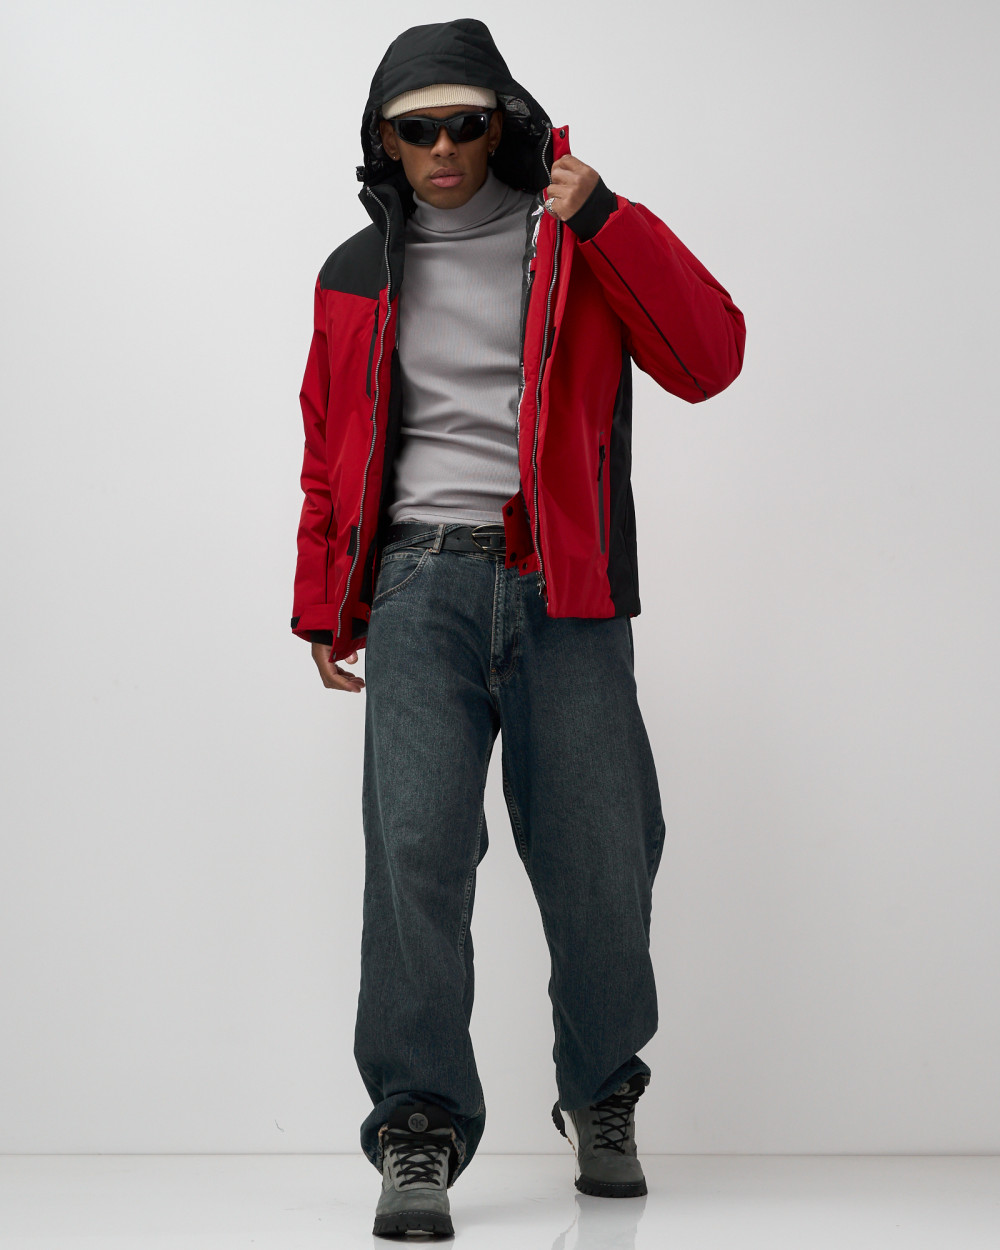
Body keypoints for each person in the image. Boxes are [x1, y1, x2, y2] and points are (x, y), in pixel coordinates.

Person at [291, 16, 746, 1238]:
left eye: (465, 122)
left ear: (504, 123)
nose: (442, 148)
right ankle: (418, 1123)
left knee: (603, 856)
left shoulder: (571, 242)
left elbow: (709, 357)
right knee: (416, 858)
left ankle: (601, 1091)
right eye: (416, 130)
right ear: (383, 142)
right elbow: (327, 446)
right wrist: (320, 601)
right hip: (416, 585)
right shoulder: (354, 270)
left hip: (565, 587)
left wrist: (608, 217)